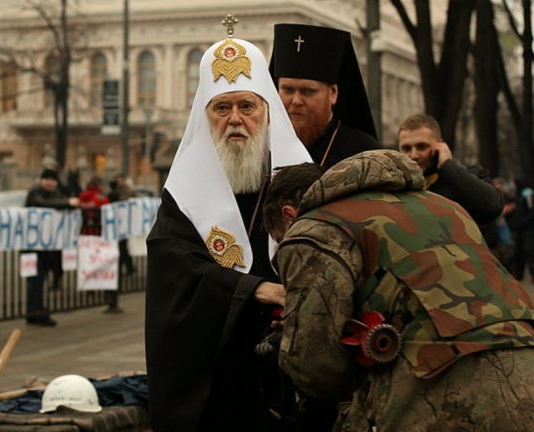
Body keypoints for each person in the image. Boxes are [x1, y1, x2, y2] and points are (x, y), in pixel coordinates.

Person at [262, 150, 534, 431]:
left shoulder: (313, 228)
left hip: (440, 401)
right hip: (525, 374)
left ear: (289, 215)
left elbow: (317, 366)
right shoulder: (444, 206)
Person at [145, 19, 316, 431]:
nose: (235, 119)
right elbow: (174, 269)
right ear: (206, 116)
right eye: (222, 108)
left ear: (268, 112)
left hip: (293, 368)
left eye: (247, 106)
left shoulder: (304, 183)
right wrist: (255, 289)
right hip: (219, 374)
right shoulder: (183, 194)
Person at [270, 23, 380, 167]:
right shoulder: (262, 147)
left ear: (333, 93)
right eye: (288, 90)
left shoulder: (365, 155)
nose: (296, 101)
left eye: (307, 91)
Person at [397, 113, 504, 226]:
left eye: (422, 146)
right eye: (406, 148)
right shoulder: (395, 185)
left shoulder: (466, 177)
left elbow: (492, 208)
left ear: (440, 146)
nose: (413, 155)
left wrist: (447, 165)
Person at [24, 168, 80, 326]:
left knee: (40, 278)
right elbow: (42, 203)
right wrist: (67, 202)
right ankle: (37, 311)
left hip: (48, 245)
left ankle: (34, 310)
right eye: (46, 178)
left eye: (52, 179)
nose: (49, 182)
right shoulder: (35, 193)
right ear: (41, 181)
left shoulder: (57, 194)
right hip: (33, 245)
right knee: (35, 279)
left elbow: (69, 201)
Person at [108, 173, 136, 275]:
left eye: (120, 179)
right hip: (117, 222)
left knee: (123, 247)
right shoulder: (115, 190)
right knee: (120, 248)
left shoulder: (128, 190)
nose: (118, 181)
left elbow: (130, 201)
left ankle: (129, 268)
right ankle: (126, 268)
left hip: (124, 223)